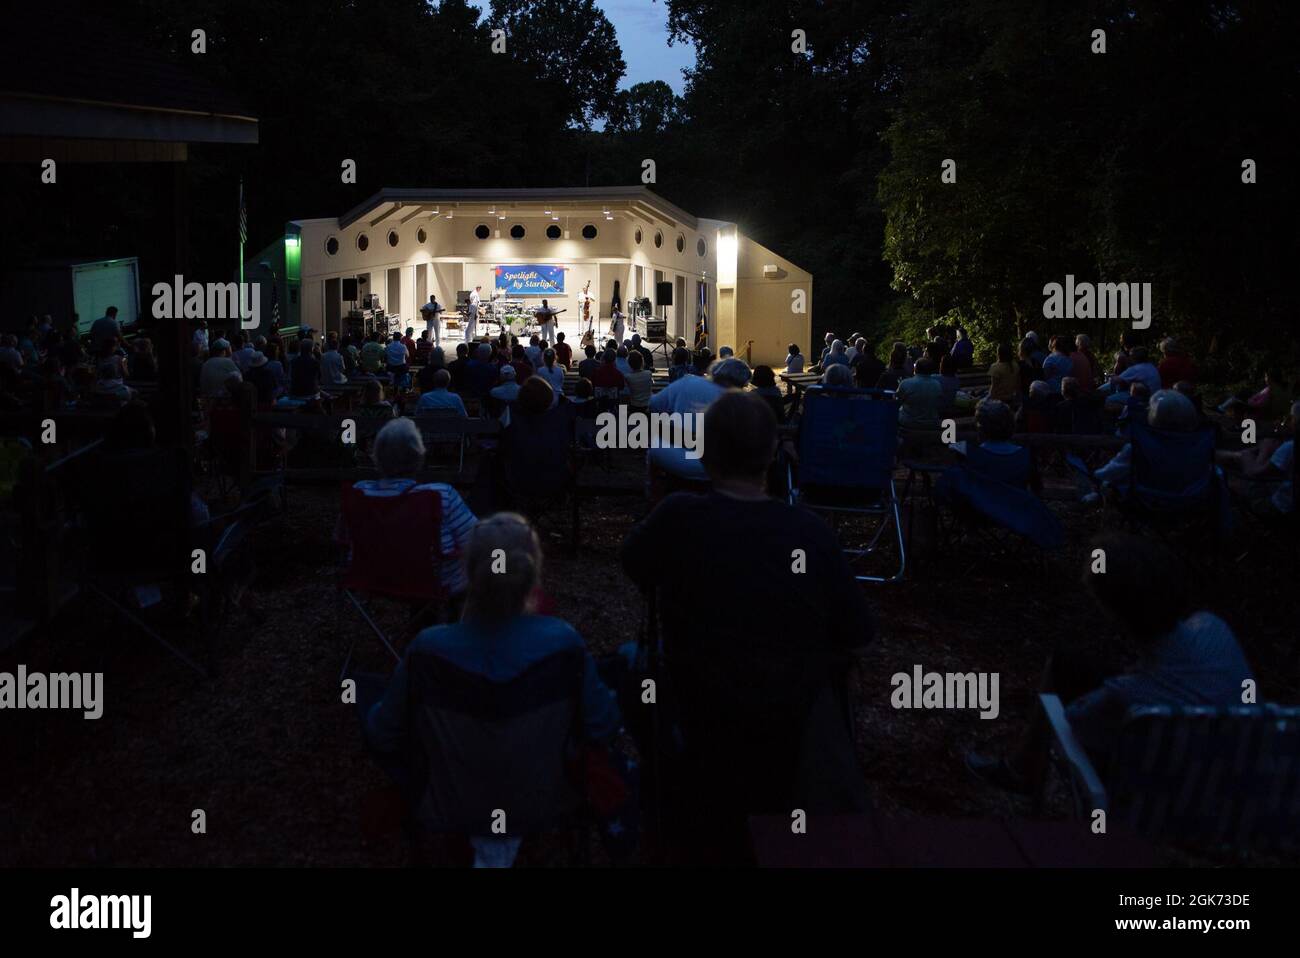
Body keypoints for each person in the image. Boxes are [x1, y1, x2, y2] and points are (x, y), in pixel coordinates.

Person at [621, 391, 872, 861]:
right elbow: (857, 635)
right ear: (774, 453)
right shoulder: (810, 533)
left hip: (696, 714)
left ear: (706, 452)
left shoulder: (678, 517)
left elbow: (635, 564)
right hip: (788, 733)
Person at [363, 511, 618, 868]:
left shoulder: (428, 649)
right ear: (534, 574)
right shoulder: (564, 644)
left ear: (469, 572)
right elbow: (602, 726)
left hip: (448, 802)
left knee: (365, 689)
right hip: (546, 800)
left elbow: (383, 733)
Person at [967, 532, 1254, 795]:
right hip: (1231, 782)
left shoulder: (1130, 695)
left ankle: (1023, 771)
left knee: (1068, 683)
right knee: (1067, 663)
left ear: (1116, 614)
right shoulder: (1213, 627)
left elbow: (1076, 722)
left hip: (1166, 793)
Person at [896, 357, 943, 428]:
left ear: (916, 369)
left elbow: (897, 401)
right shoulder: (937, 384)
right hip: (931, 423)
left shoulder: (906, 383)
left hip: (908, 423)